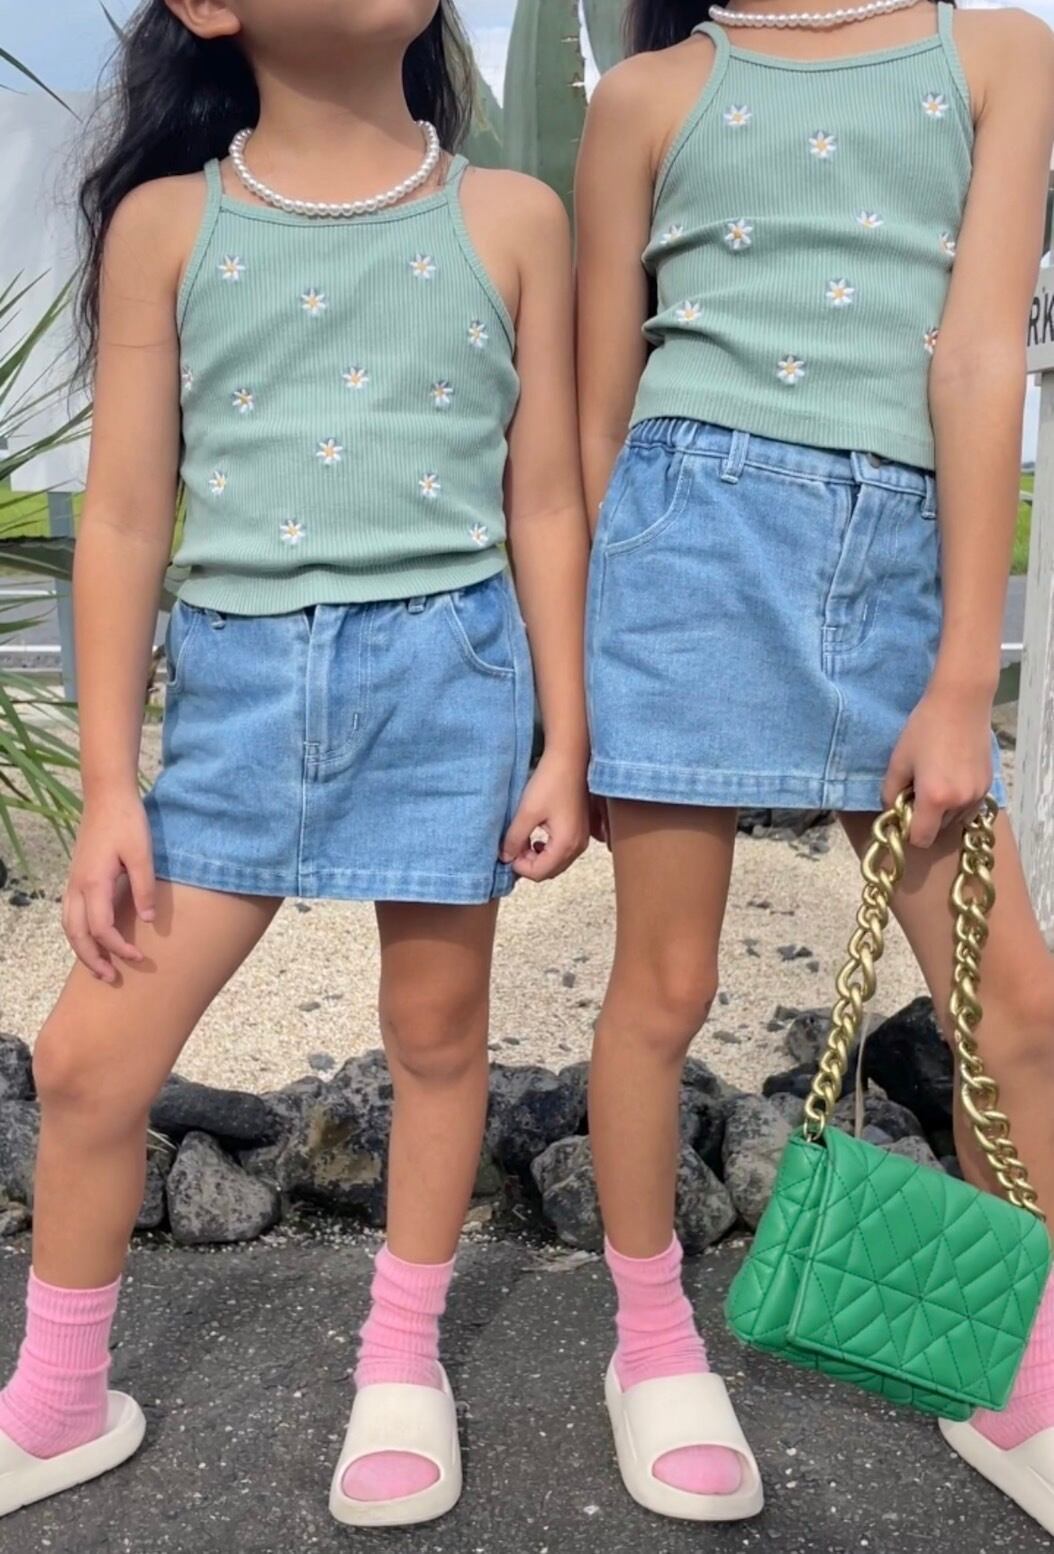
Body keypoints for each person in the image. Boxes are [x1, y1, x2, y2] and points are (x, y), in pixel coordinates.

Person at [0, 0, 589, 1529]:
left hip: (448, 678)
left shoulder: (512, 217)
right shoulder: (167, 226)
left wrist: (566, 734)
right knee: (84, 1061)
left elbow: (542, 500)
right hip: (238, 700)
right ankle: (57, 1397)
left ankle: (400, 1361)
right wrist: (109, 783)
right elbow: (124, 515)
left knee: (437, 1035)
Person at [576, 0, 1054, 1527]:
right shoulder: (648, 93)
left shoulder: (995, 52)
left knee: (1013, 1000)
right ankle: (650, 1343)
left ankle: (1022, 1364)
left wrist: (961, 672)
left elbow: (977, 357)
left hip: (903, 562)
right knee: (663, 987)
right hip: (684, 547)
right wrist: (571, 695)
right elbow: (593, 418)